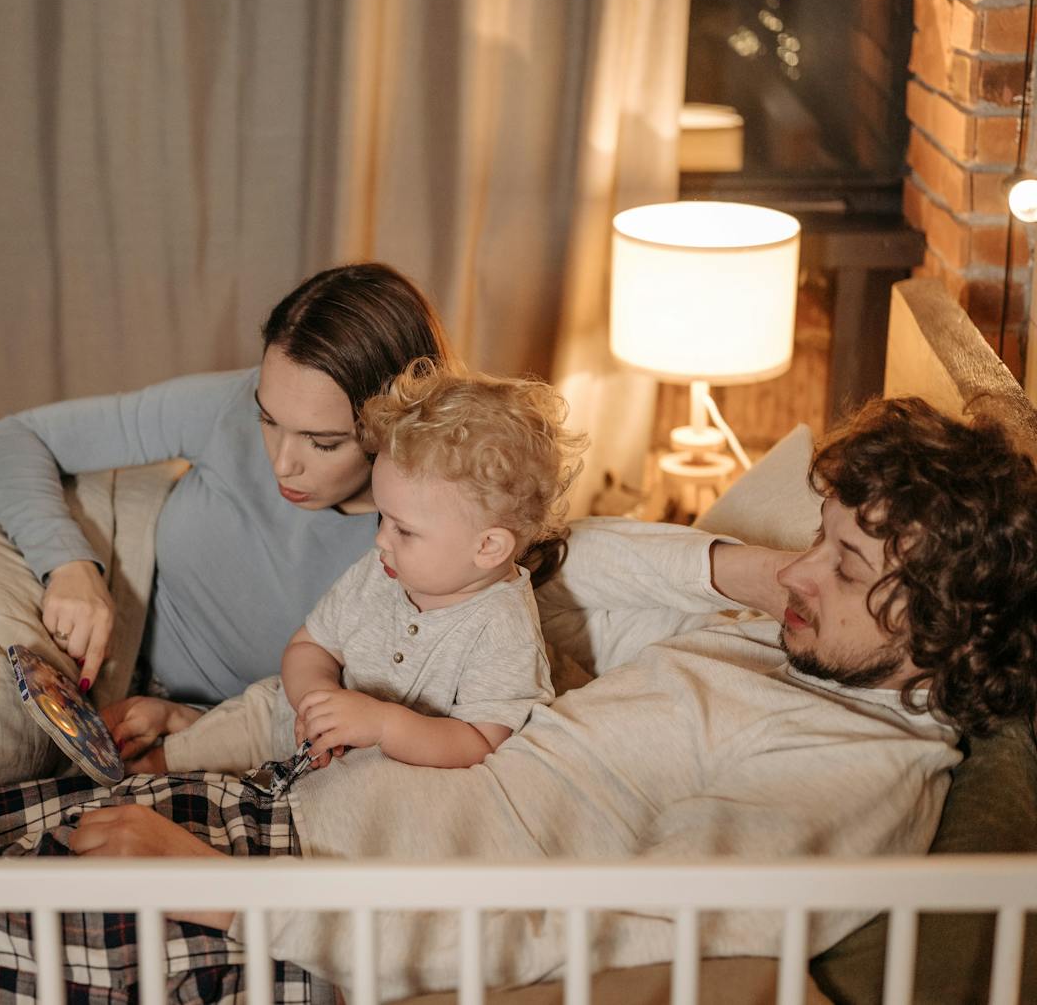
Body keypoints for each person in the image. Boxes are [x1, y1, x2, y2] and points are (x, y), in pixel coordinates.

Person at [58, 396, 1037, 996]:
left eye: (845, 562)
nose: (800, 577)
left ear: (944, 622)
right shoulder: (793, 650)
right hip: (292, 813)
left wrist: (229, 901)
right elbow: (561, 565)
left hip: (293, 932)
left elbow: (589, 933)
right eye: (815, 542)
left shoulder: (850, 774)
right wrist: (776, 569)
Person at [0, 262, 450, 709]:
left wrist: (193, 725)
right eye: (267, 418)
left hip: (217, 734)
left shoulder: (436, 539)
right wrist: (68, 565)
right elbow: (10, 439)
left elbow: (369, 719)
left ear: (399, 425)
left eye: (322, 442)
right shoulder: (228, 403)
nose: (281, 464)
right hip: (87, 650)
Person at [130, 361, 584, 776]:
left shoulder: (501, 629)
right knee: (162, 764)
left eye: (403, 530)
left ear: (488, 547)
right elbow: (309, 646)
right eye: (382, 517)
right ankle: (158, 753)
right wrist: (317, 700)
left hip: (368, 776)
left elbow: (483, 743)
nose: (380, 539)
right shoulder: (383, 569)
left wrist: (383, 725)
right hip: (281, 724)